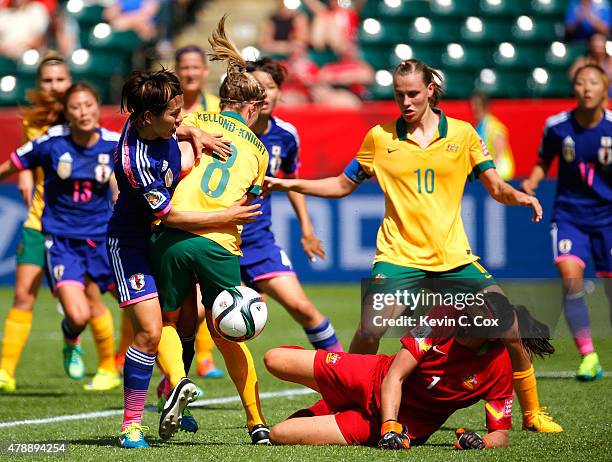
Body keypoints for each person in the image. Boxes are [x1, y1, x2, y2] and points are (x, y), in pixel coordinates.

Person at [265, 58, 563, 433]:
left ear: (430, 91)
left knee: (509, 325)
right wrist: (289, 184)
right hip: (399, 258)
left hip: (454, 260)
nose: (405, 102)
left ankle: (533, 414)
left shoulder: (464, 134)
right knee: (371, 328)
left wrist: (517, 197)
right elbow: (342, 185)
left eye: (412, 94)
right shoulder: (380, 137)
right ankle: (344, 398)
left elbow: (495, 186)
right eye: (398, 94)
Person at [108, 68, 258, 448]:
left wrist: (194, 131)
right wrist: (223, 217)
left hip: (162, 238)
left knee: (188, 322)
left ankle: (175, 392)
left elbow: (182, 126)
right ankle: (130, 426)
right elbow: (169, 215)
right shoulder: (134, 161)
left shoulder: (159, 122)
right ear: (147, 119)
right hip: (132, 243)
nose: (180, 118)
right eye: (174, 115)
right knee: (150, 331)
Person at [149, 15, 271, 445]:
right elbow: (245, 201)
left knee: (168, 321)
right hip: (218, 242)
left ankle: (179, 379)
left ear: (222, 99)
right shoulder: (259, 151)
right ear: (253, 108)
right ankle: (256, 422)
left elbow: (170, 134)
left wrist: (192, 130)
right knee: (226, 331)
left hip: (172, 234)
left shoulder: (196, 119)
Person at [264, 295, 555, 448]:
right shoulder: (444, 316)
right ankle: (333, 401)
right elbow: (396, 376)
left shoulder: (498, 368)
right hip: (372, 377)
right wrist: (389, 425)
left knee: (279, 433)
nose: (463, 324)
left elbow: (500, 434)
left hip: (400, 428)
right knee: (273, 358)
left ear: (492, 336)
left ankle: (332, 411)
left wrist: (482, 442)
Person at [0, 83, 121, 392]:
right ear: (67, 114)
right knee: (78, 315)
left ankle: (109, 370)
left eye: (89, 105)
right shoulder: (53, 142)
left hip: (100, 239)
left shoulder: (114, 143)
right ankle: (71, 336)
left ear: (98, 106)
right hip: (62, 241)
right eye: (76, 107)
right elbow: (15, 162)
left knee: (104, 304)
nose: (84, 112)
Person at [240, 56, 342, 352]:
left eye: (270, 87)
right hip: (218, 240)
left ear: (279, 92)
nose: (264, 93)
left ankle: (344, 375)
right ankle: (173, 379)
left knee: (303, 308)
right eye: (257, 86)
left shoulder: (285, 135)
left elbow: (292, 181)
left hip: (258, 241)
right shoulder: (226, 131)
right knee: (191, 315)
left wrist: (307, 230)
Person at [522, 64, 611, 382]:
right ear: (573, 89)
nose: (586, 88)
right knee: (571, 278)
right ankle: (588, 356)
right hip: (570, 216)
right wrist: (531, 183)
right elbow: (543, 161)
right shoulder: (557, 126)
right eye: (580, 83)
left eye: (593, 83)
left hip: (608, 218)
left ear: (605, 88)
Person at [469, 91, 515, 180]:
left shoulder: (493, 125)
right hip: (489, 174)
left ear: (484, 106)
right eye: (472, 105)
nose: (474, 108)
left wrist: (491, 172)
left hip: (501, 175)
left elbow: (499, 150)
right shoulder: (477, 127)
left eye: (477, 105)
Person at [569, 33, 612, 97]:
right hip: (589, 94)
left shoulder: (610, 61)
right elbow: (572, 76)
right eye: (595, 41)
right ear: (589, 45)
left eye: (601, 41)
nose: (598, 44)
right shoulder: (582, 61)